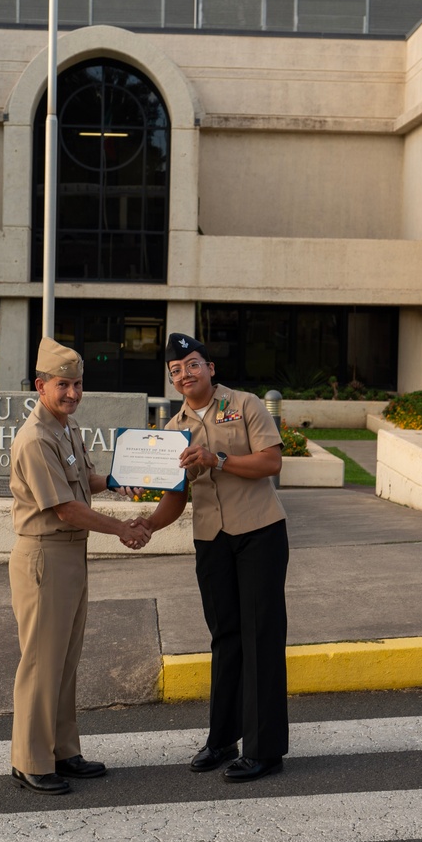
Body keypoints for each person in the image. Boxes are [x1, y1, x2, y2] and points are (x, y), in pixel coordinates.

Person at [135, 334, 289, 782]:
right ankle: (222, 740)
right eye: (176, 370)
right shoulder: (171, 431)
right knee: (225, 638)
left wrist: (217, 457)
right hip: (212, 540)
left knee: (261, 636)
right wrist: (146, 524)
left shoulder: (245, 405)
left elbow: (271, 462)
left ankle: (265, 750)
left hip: (259, 532)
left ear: (210, 368)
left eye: (192, 364)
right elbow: (175, 498)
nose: (185, 374)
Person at [9, 336, 149, 795]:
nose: (72, 393)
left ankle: (63, 751)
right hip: (45, 555)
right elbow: (65, 508)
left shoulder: (65, 429)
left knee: (65, 661)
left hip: (71, 555)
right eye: (63, 385)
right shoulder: (34, 438)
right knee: (41, 663)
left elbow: (82, 480)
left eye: (78, 384)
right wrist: (123, 529)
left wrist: (112, 478)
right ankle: (30, 760)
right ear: (40, 385)